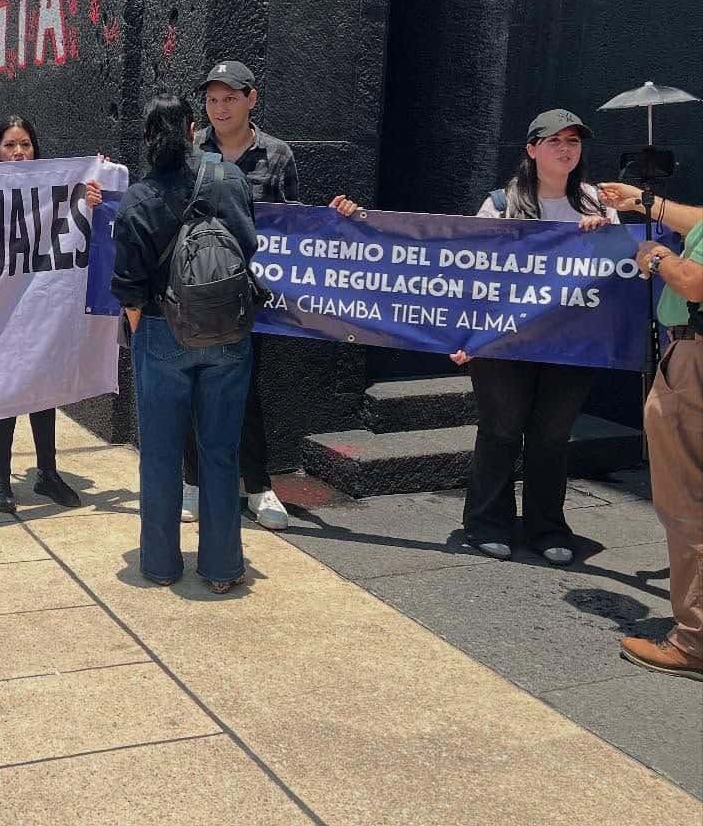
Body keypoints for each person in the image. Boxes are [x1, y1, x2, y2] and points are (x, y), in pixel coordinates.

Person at [333, 109, 615, 566]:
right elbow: (472, 276)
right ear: (532, 149)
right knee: (502, 430)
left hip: (571, 342)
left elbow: (622, 272)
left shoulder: (597, 204)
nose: (565, 150)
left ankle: (547, 528)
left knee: (551, 436)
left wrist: (607, 236)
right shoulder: (501, 205)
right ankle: (487, 523)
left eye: (573, 141)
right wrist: (466, 335)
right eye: (554, 141)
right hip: (503, 342)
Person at [111, 95, 257, 593]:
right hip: (228, 332)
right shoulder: (229, 179)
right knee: (220, 451)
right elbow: (248, 246)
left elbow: (128, 285)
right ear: (193, 127)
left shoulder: (139, 198)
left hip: (161, 330)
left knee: (160, 453)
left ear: (146, 138)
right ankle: (222, 568)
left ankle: (160, 564)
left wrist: (143, 326)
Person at [179, 61, 293, 530]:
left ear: (251, 99)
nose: (220, 108)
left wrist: (340, 217)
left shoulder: (277, 154)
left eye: (229, 98)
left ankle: (258, 486)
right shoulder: (192, 148)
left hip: (250, 295)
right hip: (196, 290)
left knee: (244, 389)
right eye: (212, 99)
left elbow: (294, 226)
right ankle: (192, 482)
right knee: (192, 386)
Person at [0, 115, 103, 512]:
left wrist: (92, 196)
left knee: (43, 388)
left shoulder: (54, 190)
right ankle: (0, 477)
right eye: (10, 145)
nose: (18, 152)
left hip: (41, 307)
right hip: (0, 309)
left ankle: (47, 472)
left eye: (25, 144)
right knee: (6, 391)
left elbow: (85, 226)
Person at [601, 183, 703, 681]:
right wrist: (647, 204)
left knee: (688, 502)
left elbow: (695, 282)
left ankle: (694, 642)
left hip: (695, 361)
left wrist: (656, 257)